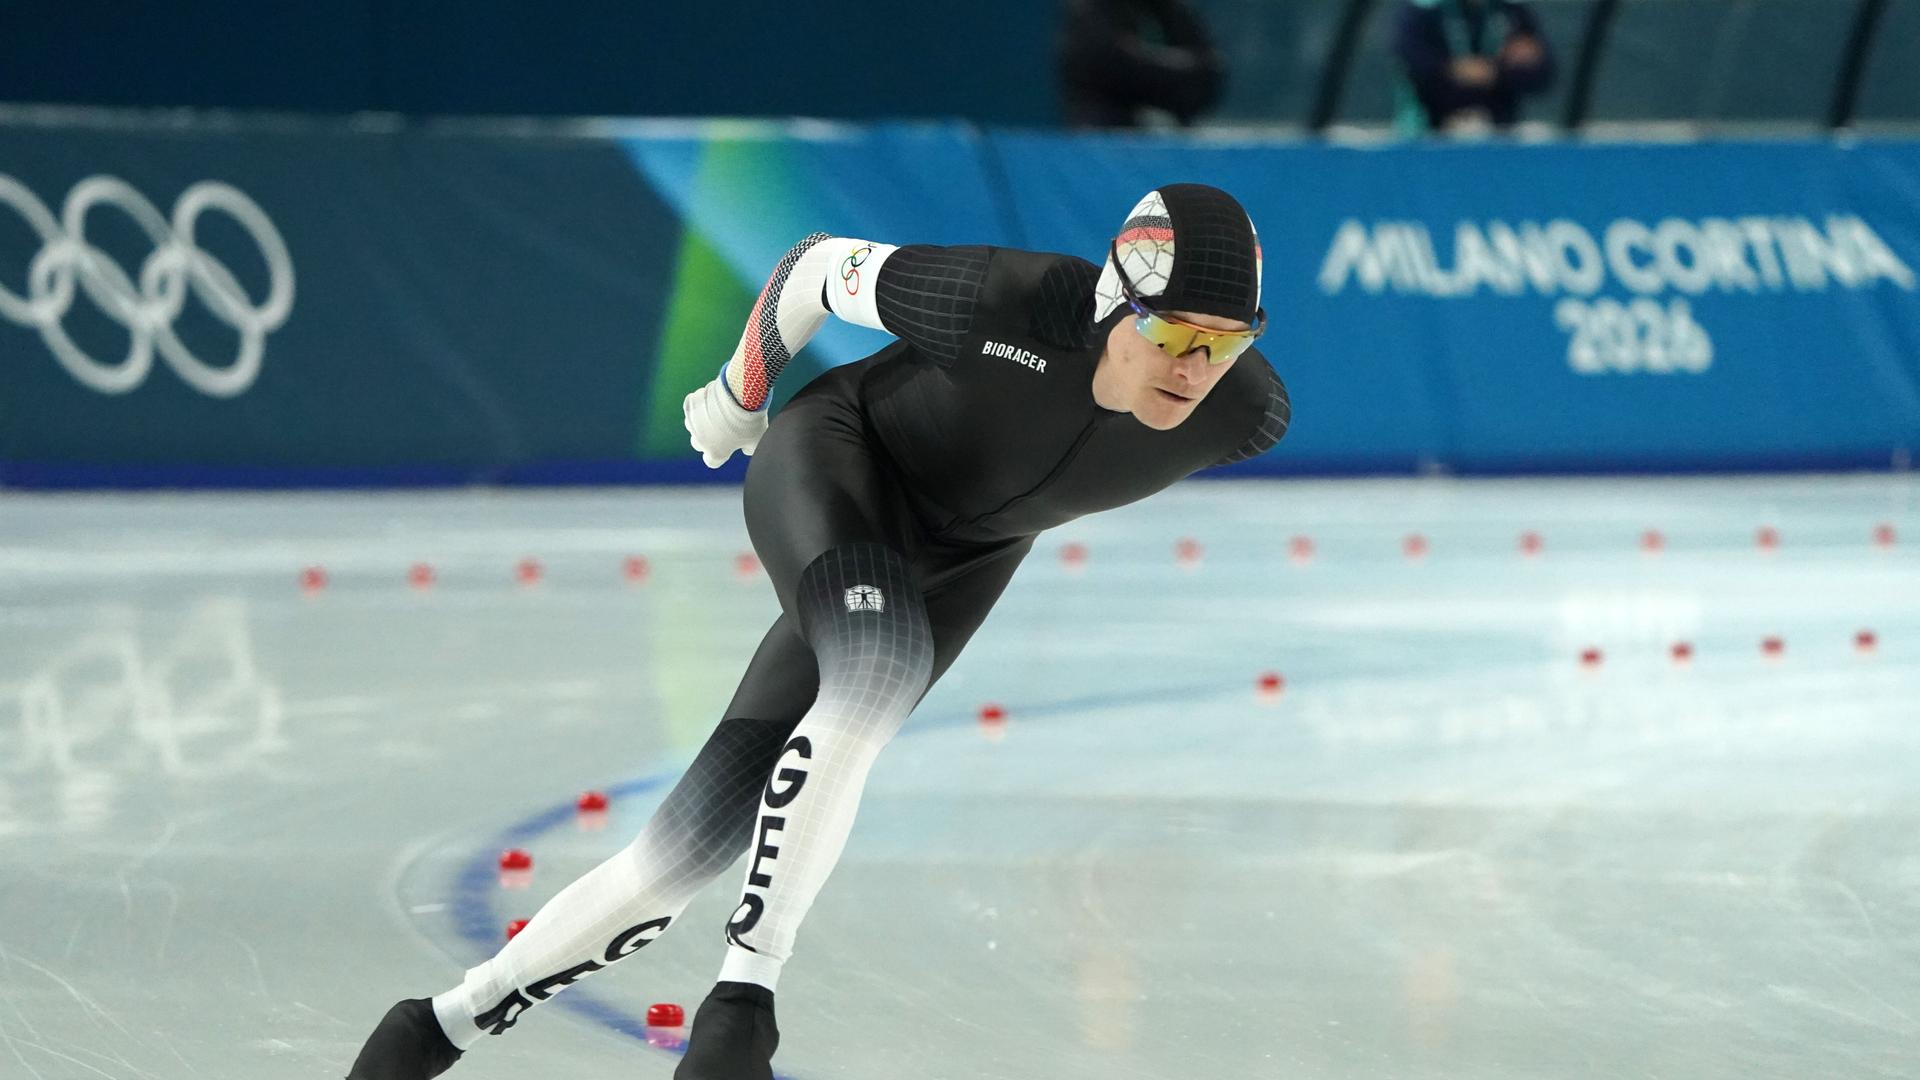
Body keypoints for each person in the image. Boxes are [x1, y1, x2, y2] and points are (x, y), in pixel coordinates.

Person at [346, 182, 1291, 1080]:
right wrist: (737, 394)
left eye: (1225, 344)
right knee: (877, 667)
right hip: (842, 464)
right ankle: (742, 1007)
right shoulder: (1000, 299)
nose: (1193, 369)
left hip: (965, 559)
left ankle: (433, 1029)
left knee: (686, 849)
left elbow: (1186, 392)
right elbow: (810, 267)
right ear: (1111, 302)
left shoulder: (1247, 412)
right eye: (1172, 332)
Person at [1058, 0, 1227, 129]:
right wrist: (1178, 68)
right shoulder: (1092, 11)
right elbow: (1109, 62)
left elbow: (1209, 70)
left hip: (1175, 141)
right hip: (1107, 139)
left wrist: (1142, 57)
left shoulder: (1172, 11)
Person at [1393, 0, 1555, 135]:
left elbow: (1541, 72)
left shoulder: (1513, 13)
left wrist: (1494, 72)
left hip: (1500, 133)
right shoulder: (1425, 11)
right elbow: (1414, 62)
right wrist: (1452, 69)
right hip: (1432, 131)